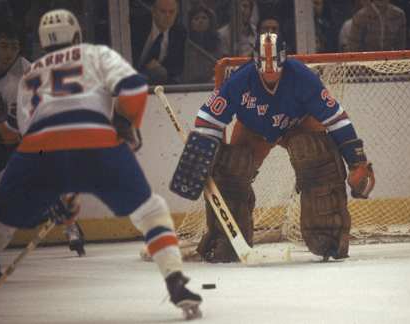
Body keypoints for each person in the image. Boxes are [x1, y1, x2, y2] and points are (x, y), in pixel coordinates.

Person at [0, 9, 202, 319]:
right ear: (78, 36)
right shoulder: (95, 54)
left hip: (37, 151)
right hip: (96, 140)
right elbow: (134, 86)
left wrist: (58, 193)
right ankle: (176, 283)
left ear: (42, 43)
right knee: (151, 211)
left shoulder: (31, 73)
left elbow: (37, 135)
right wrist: (126, 125)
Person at [185, 32, 375, 263]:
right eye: (264, 70)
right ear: (254, 61)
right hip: (254, 128)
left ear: (285, 60)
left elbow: (336, 119)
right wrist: (201, 153)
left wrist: (357, 161)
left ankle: (328, 236)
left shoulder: (303, 77)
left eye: (276, 69)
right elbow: (208, 118)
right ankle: (227, 240)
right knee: (230, 171)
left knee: (317, 158)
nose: (270, 75)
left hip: (299, 124)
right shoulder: (238, 80)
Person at [0, 21, 86, 257]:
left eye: (14, 47)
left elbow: (12, 132)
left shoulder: (26, 76)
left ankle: (70, 224)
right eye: (3, 46)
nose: (8, 53)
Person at [130, 0, 187, 85]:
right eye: (163, 11)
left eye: (171, 12)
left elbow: (177, 69)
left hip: (159, 82)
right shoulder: (137, 25)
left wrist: (159, 69)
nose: (168, 16)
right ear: (153, 12)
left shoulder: (179, 32)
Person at [182, 4, 221, 83]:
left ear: (210, 21)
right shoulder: (184, 42)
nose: (200, 21)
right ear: (190, 23)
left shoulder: (217, 41)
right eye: (196, 18)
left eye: (204, 18)